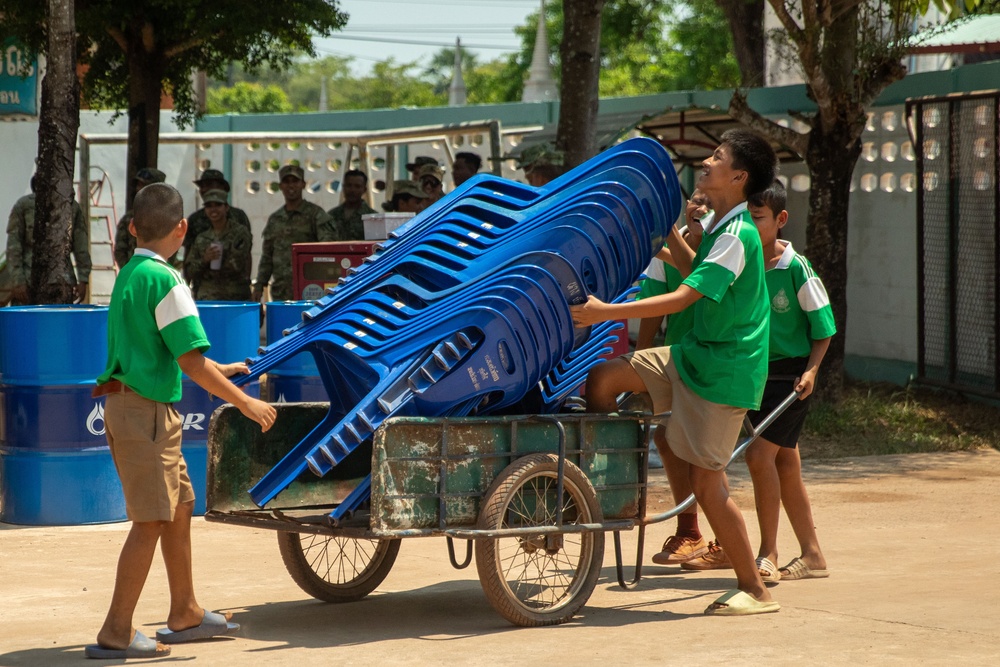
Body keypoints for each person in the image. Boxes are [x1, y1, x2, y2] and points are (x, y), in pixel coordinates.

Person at [571, 128, 780, 616]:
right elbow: (691, 271)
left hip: (723, 371)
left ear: (738, 176)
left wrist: (604, 312)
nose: (706, 163)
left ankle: (754, 588)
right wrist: (666, 231)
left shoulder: (737, 234)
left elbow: (686, 296)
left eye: (716, 157)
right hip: (690, 354)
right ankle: (606, 476)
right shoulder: (721, 226)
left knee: (709, 486)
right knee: (603, 380)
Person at [86, 183, 275, 660]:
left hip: (135, 408)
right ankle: (116, 630)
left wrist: (223, 369)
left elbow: (165, 350)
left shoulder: (129, 273)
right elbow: (191, 362)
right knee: (150, 520)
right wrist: (246, 403)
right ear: (183, 229)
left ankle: (185, 611)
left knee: (178, 507)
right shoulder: (168, 281)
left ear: (131, 228)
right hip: (146, 414)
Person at [739, 180, 835, 582]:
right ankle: (813, 555)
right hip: (756, 376)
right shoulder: (741, 262)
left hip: (791, 378)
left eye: (757, 218)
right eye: (745, 217)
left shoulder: (795, 267)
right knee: (786, 464)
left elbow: (824, 327)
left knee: (758, 457)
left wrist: (812, 371)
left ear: (780, 220)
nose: (749, 224)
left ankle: (768, 553)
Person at [252, 164, 336, 302]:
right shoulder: (275, 219)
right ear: (280, 186)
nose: (291, 186)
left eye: (295, 181)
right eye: (286, 182)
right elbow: (267, 257)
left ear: (303, 184)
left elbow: (328, 250)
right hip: (281, 292)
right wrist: (259, 287)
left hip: (310, 291)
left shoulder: (315, 215)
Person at [5, 174, 91, 304]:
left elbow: (81, 246)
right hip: (37, 285)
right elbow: (14, 248)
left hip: (54, 285)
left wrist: (83, 279)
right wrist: (83, 280)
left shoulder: (71, 207)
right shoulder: (23, 206)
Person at [184, 189, 253, 301]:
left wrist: (222, 255)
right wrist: (205, 259)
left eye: (218, 205)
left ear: (226, 207)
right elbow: (190, 270)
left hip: (235, 296)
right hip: (208, 297)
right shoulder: (201, 238)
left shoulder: (239, 233)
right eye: (209, 206)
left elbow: (239, 266)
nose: (213, 210)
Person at [182, 169, 252, 270]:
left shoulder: (238, 216)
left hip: (233, 281)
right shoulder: (195, 219)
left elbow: (247, 253)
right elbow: (188, 255)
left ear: (222, 188)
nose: (205, 189)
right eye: (202, 186)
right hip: (204, 282)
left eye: (210, 185)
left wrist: (247, 280)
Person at [114, 168, 166, 269]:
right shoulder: (129, 219)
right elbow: (120, 250)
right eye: (138, 185)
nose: (139, 189)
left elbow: (172, 250)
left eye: (144, 186)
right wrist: (130, 270)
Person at [327, 169, 376, 241]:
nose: (352, 190)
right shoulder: (331, 215)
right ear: (343, 187)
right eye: (349, 185)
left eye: (357, 186)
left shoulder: (372, 218)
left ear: (364, 189)